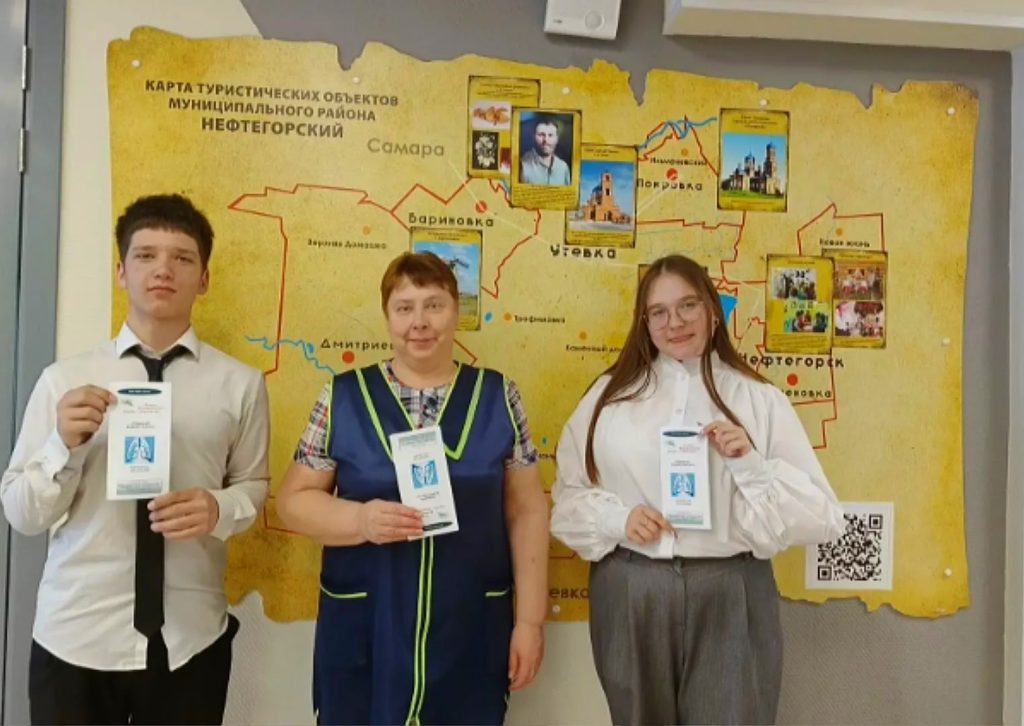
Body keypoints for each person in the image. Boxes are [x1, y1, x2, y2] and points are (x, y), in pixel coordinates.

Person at [1, 193, 270, 725]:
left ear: (204, 279)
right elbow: (22, 513)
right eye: (145, 255)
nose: (163, 269)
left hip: (191, 639)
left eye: (182, 257)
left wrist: (218, 508)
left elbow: (253, 484)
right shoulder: (64, 381)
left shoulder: (240, 384)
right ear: (121, 272)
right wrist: (61, 445)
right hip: (77, 636)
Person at [551, 254, 844, 726]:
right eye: (659, 312)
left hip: (730, 589)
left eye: (688, 305)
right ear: (644, 323)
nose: (675, 323)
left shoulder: (759, 399)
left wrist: (750, 464)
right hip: (631, 588)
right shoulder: (609, 398)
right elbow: (567, 495)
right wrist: (616, 519)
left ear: (712, 310)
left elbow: (821, 516)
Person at [277, 251, 549, 725]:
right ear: (387, 316)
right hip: (368, 625)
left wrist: (529, 621)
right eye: (404, 308)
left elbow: (526, 510)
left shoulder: (499, 396)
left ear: (456, 312)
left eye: (434, 305)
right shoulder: (342, 397)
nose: (419, 322)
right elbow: (293, 502)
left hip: (468, 625)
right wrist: (359, 520)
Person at [519, 115, 572, 186]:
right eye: (541, 135)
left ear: (557, 139)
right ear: (533, 137)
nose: (546, 140)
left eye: (550, 135)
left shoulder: (563, 167)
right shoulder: (523, 166)